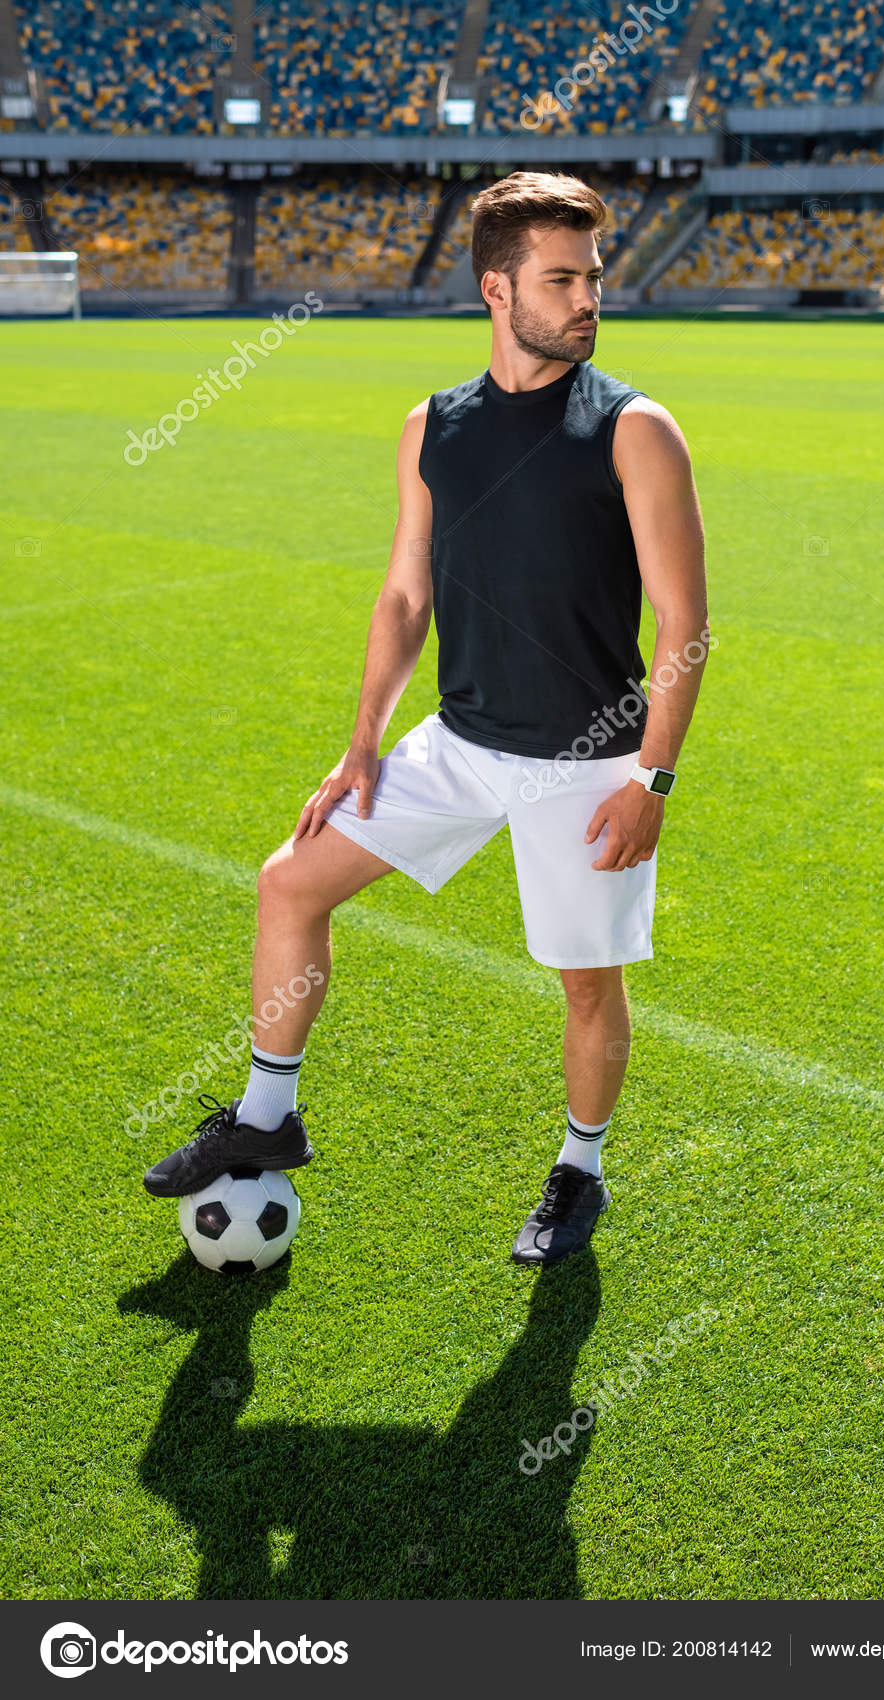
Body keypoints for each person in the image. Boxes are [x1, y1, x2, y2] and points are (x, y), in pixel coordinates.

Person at [144, 171, 708, 1268]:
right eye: (564, 277)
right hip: (455, 742)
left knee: (586, 982)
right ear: (498, 288)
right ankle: (269, 1109)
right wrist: (362, 742)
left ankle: (579, 1170)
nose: (589, 296)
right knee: (289, 880)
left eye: (593, 275)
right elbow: (405, 594)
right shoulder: (431, 427)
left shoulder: (635, 430)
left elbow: (687, 622)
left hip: (587, 765)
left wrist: (655, 778)